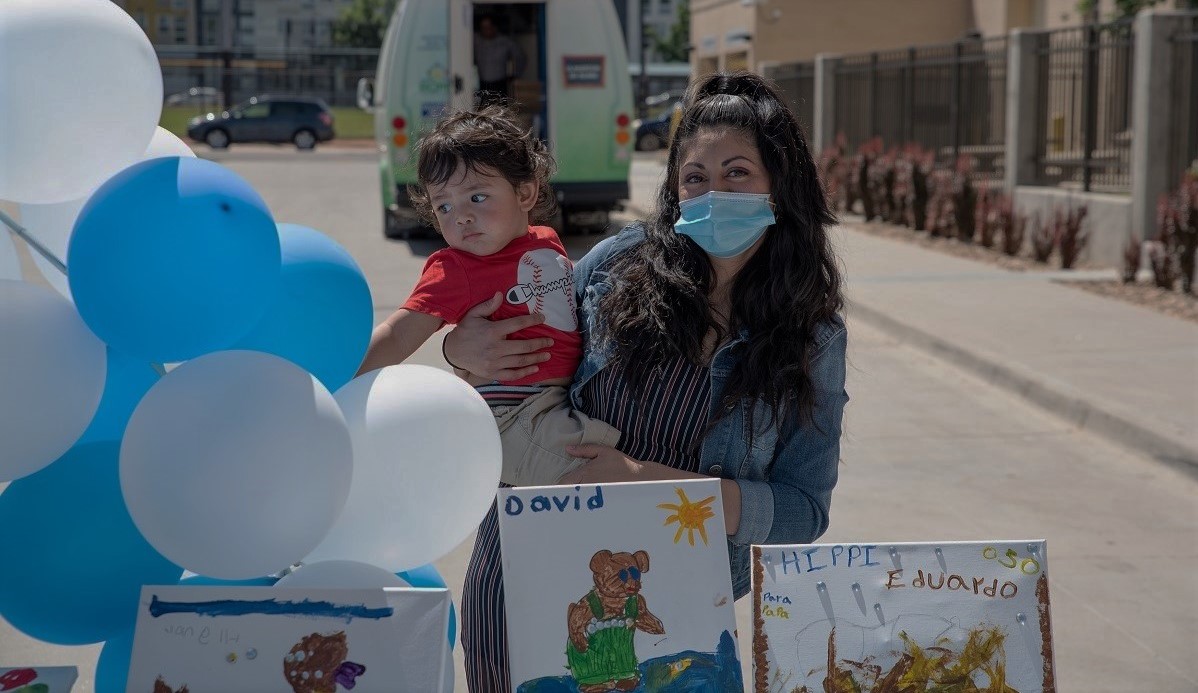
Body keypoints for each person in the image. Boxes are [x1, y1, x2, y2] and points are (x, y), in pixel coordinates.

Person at [445, 71, 849, 691]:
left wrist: (645, 483)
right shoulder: (614, 268)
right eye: (696, 178)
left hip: (668, 596)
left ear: (780, 185)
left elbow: (803, 509)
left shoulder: (811, 334)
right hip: (531, 554)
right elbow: (517, 352)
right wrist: (458, 347)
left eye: (737, 172)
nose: (714, 192)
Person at [356, 105, 619, 487]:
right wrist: (342, 375)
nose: (459, 216)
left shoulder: (546, 240)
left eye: (476, 197)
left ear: (525, 192)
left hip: (559, 401)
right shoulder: (455, 268)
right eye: (443, 205)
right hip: (510, 416)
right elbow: (400, 333)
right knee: (608, 474)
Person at [474, 15, 526, 108]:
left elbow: (520, 56)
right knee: (482, 110)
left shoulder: (505, 41)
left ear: (494, 28)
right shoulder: (476, 40)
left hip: (500, 84)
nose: (485, 31)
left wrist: (516, 75)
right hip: (481, 84)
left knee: (501, 110)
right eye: (483, 28)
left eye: (488, 27)